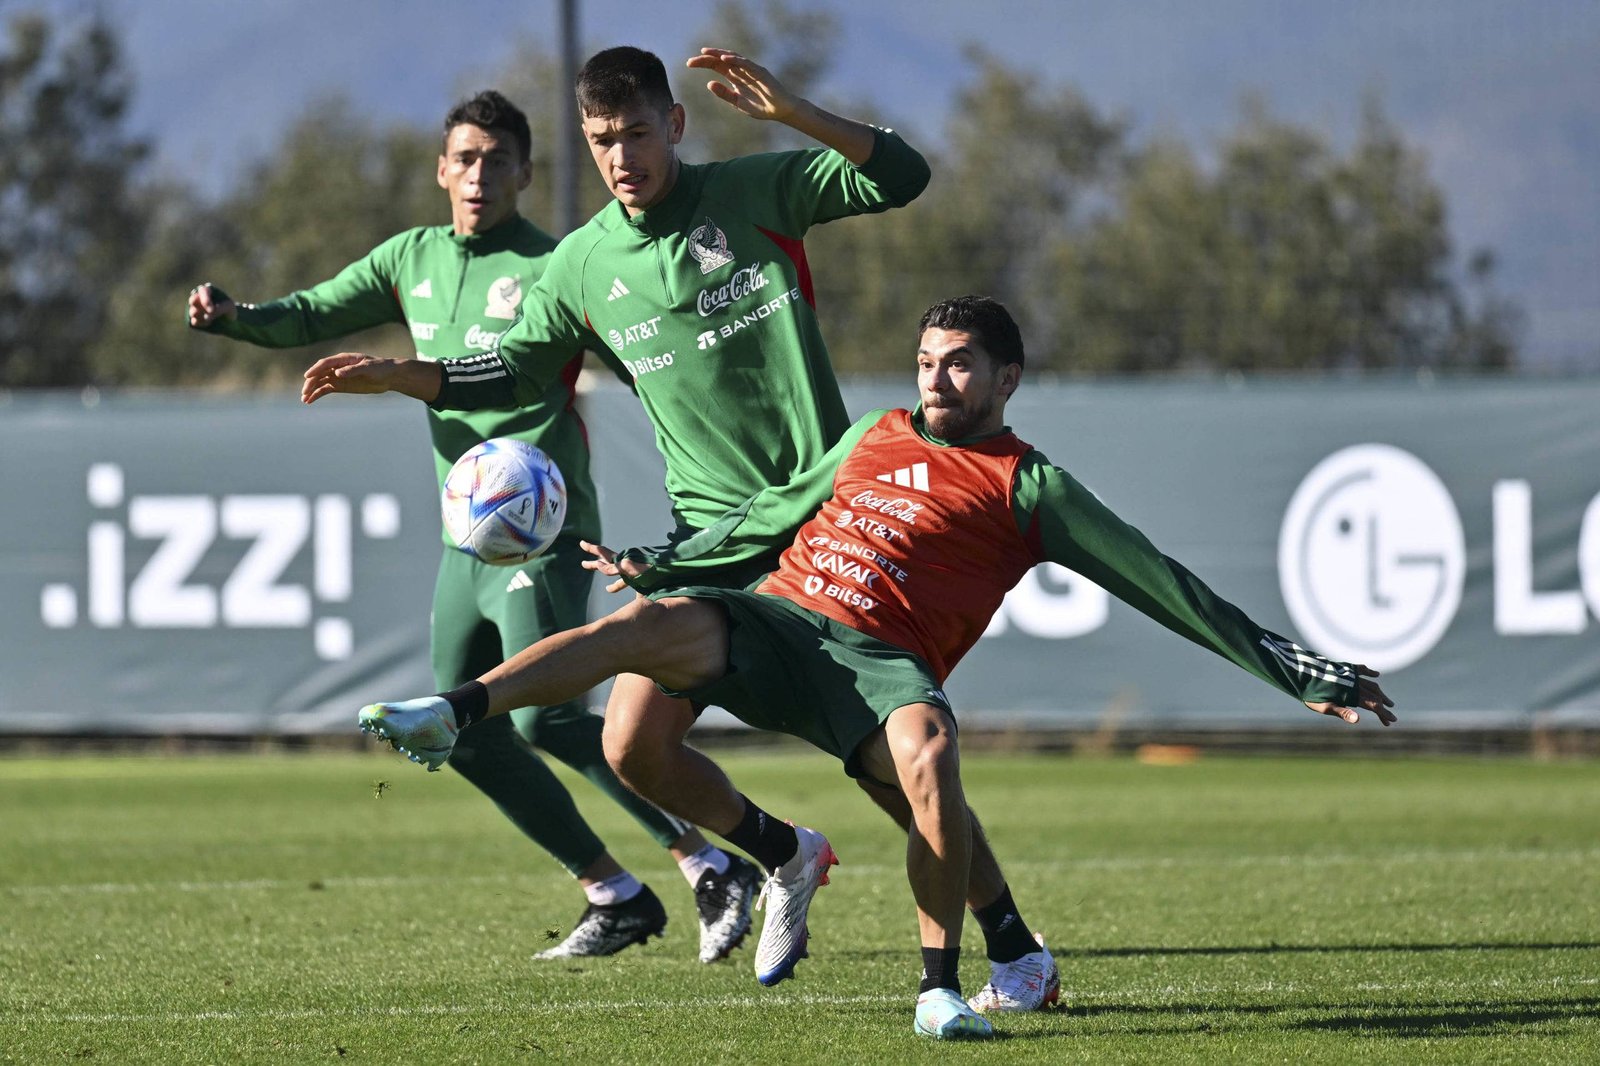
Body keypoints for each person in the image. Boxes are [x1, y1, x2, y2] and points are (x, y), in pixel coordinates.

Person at [356, 295, 1398, 1039]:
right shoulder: (875, 435)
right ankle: (457, 709)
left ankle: (946, 985)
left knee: (929, 766)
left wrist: (1290, 668)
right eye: (926, 360)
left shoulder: (1029, 486)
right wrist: (659, 562)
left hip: (879, 667)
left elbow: (1159, 580)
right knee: (640, 663)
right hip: (780, 624)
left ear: (1005, 378)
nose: (936, 378)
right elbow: (770, 518)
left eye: (958, 363)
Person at [298, 48, 1063, 1008]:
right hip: (710, 540)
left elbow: (901, 176)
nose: (621, 156)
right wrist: (399, 374)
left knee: (890, 770)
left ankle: (1009, 947)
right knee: (632, 747)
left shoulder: (757, 192)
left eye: (638, 134)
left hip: (823, 524)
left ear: (677, 127)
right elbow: (512, 372)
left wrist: (795, 112)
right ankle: (784, 853)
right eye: (602, 140)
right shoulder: (580, 263)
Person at [185, 90, 759, 964]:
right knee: (455, 728)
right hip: (469, 543)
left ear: (527, 173)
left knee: (551, 721)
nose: (479, 174)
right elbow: (311, 311)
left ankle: (707, 860)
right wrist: (237, 320)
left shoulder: (558, 265)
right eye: (464, 158)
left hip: (546, 533)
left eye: (497, 160)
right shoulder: (410, 257)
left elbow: (648, 362)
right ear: (441, 169)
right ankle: (612, 891)